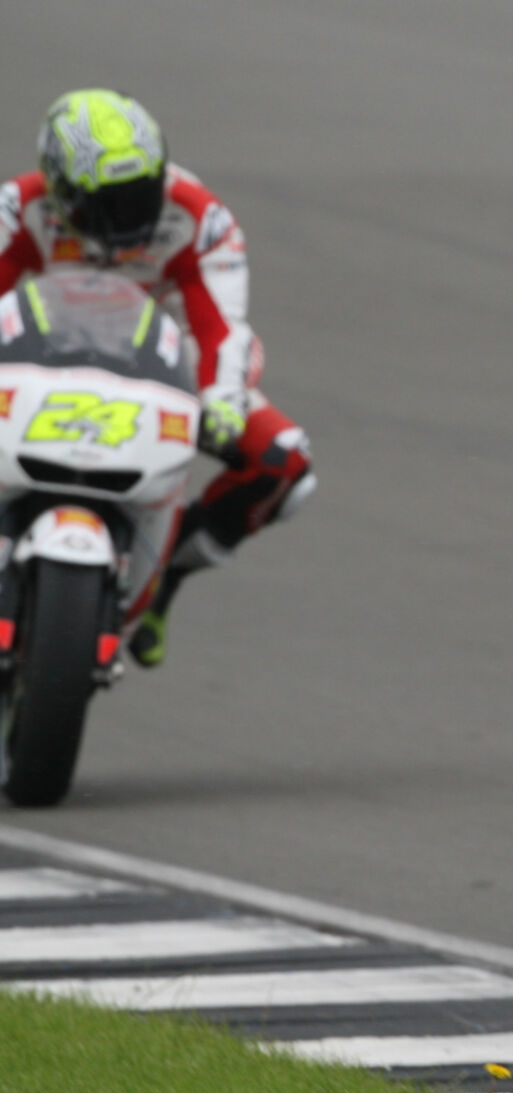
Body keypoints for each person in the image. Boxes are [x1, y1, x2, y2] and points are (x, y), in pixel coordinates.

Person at [0, 89, 315, 665]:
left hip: (158, 371)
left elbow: (222, 327)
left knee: (282, 462)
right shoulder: (19, 210)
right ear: (63, 191)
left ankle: (163, 577)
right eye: (116, 203)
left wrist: (222, 400)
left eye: (146, 190)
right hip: (37, 362)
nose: (139, 215)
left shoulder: (199, 219)